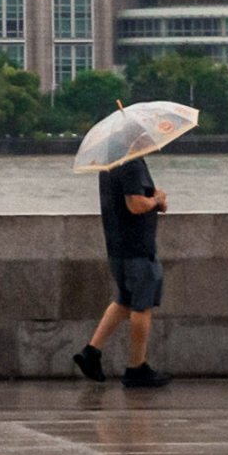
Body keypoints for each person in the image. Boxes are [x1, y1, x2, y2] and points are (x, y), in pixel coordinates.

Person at [78, 149, 170, 389]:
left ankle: (91, 352)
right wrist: (156, 199)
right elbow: (135, 204)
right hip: (137, 248)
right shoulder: (131, 164)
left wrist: (153, 199)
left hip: (118, 247)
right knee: (142, 305)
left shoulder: (111, 162)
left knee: (124, 301)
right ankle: (136, 368)